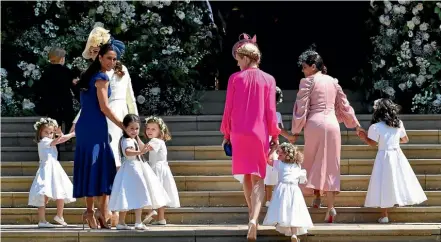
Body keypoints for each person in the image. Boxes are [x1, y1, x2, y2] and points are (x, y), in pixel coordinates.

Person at [71, 26, 138, 227]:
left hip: (87, 126)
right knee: (98, 167)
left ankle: (92, 212)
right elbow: (105, 108)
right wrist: (123, 126)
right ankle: (96, 212)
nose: (112, 62)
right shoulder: (101, 78)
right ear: (99, 57)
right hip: (96, 125)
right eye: (108, 58)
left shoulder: (87, 76)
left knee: (91, 167)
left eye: (114, 59)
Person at [292, 46, 365, 223]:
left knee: (311, 161)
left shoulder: (308, 81)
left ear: (312, 66)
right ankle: (330, 207)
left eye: (304, 67)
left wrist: (295, 131)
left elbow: (301, 108)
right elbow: (344, 104)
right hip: (332, 124)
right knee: (331, 164)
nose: (302, 70)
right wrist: (356, 125)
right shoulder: (333, 81)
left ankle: (315, 198)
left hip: (315, 124)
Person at [220, 33, 281, 241]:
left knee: (246, 175)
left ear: (246, 58)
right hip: (259, 133)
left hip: (239, 132)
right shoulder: (269, 79)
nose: (237, 64)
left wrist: (226, 134)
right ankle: (255, 218)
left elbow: (228, 109)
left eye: (238, 59)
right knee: (258, 178)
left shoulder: (234, 79)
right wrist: (275, 135)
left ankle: (250, 215)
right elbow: (271, 112)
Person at [359, 98, 427, 223]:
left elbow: (373, 143)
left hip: (384, 156)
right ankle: (398, 200)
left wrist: (364, 137)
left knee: (383, 182)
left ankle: (384, 215)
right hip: (397, 155)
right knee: (399, 179)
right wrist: (394, 141)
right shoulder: (398, 123)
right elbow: (405, 139)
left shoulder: (375, 127)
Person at [233, 87, 297, 207]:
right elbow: (278, 129)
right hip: (267, 143)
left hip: (256, 142)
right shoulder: (275, 114)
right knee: (269, 172)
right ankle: (268, 199)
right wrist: (289, 137)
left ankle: (256, 203)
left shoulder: (255, 111)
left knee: (257, 173)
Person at [109, 114, 170, 230]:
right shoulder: (126, 140)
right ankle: (135, 222)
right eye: (131, 128)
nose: (134, 131)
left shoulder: (132, 138)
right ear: (125, 128)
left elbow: (143, 147)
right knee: (138, 193)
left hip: (134, 168)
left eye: (137, 128)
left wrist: (138, 140)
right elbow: (128, 152)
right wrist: (139, 152)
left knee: (131, 195)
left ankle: (124, 222)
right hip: (133, 169)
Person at [28, 118, 76, 228]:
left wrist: (59, 134)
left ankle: (59, 215)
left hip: (55, 169)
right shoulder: (44, 141)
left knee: (61, 192)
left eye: (51, 133)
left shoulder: (50, 142)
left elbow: (59, 139)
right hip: (47, 170)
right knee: (44, 194)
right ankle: (42, 220)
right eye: (46, 132)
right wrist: (67, 134)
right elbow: (59, 140)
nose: (49, 135)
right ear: (40, 132)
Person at [263, 143, 313, 242]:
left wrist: (272, 150)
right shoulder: (297, 165)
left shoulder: (279, 163)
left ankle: (287, 228)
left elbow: (267, 160)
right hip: (294, 190)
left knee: (284, 210)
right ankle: (294, 234)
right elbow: (302, 179)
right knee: (294, 211)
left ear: (287, 154)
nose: (278, 155)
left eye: (280, 154)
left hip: (282, 189)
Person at [38, 47, 77, 154]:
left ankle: (56, 149)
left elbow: (41, 89)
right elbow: (74, 88)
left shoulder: (46, 72)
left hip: (52, 104)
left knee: (54, 126)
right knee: (69, 122)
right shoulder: (67, 72)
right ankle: (69, 141)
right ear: (61, 59)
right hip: (65, 102)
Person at [143, 116, 181, 225]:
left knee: (153, 191)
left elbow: (144, 149)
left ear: (160, 131)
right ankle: (161, 218)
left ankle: (151, 212)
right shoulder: (159, 141)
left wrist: (135, 139)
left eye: (153, 129)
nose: (149, 131)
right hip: (162, 169)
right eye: (148, 128)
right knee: (161, 193)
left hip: (156, 169)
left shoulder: (155, 141)